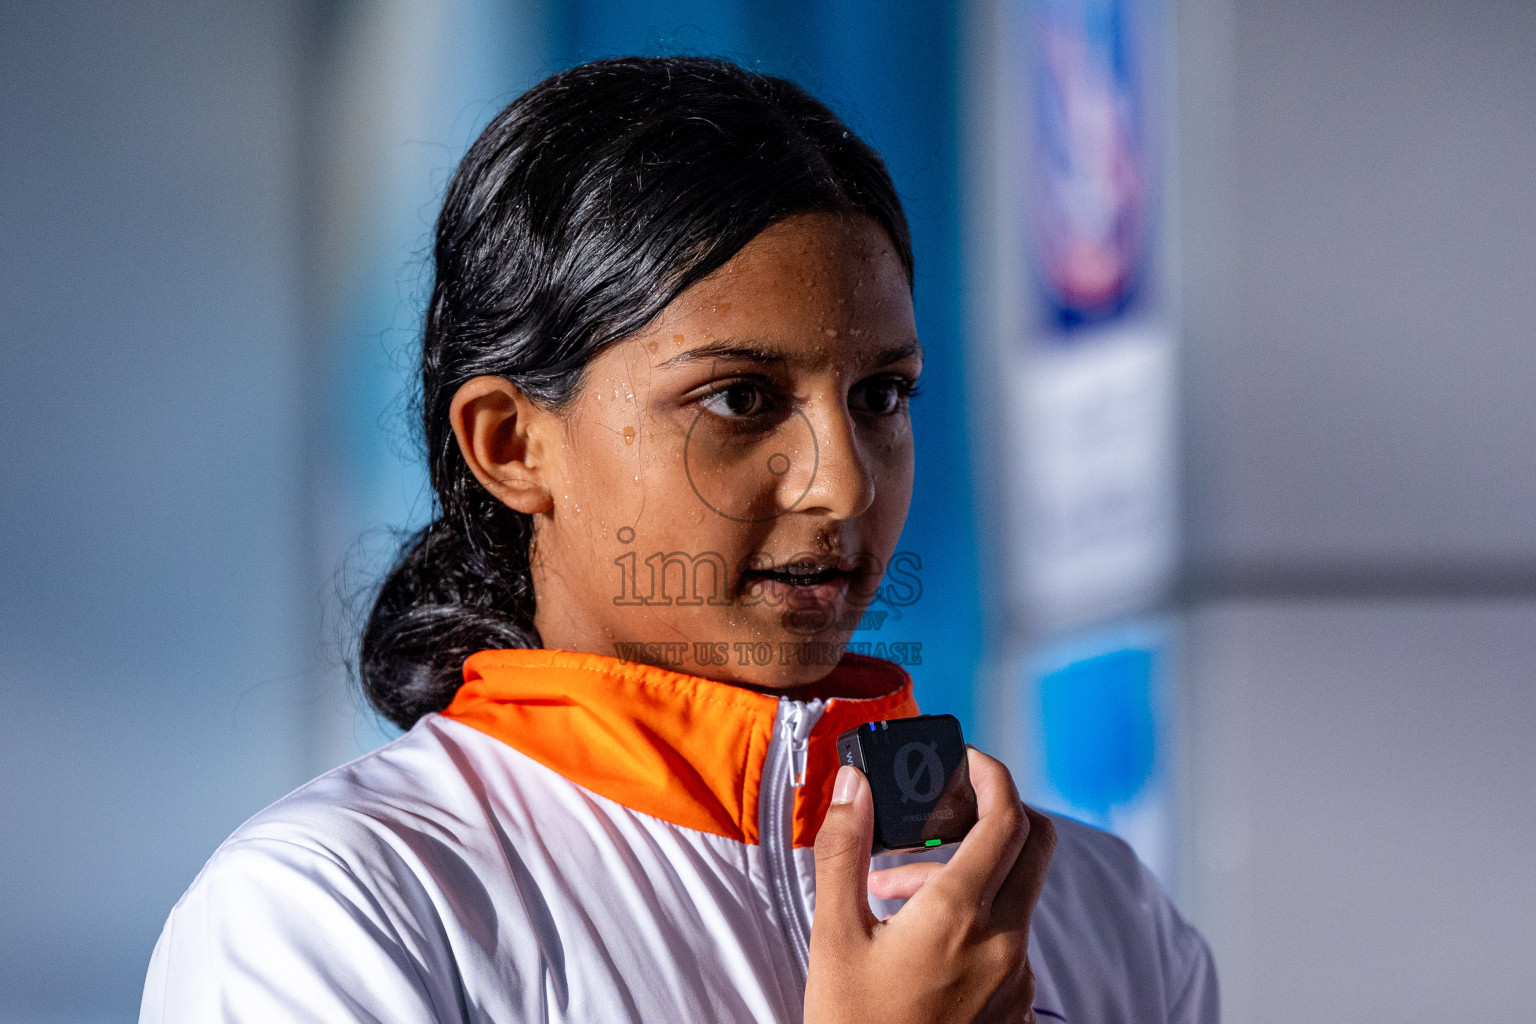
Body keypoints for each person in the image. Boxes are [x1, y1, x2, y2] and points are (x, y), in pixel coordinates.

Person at [140, 56, 1217, 1024]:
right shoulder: (334, 910)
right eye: (742, 397)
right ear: (512, 443)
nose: (842, 481)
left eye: (882, 394)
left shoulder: (1093, 907)